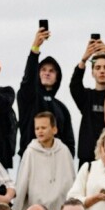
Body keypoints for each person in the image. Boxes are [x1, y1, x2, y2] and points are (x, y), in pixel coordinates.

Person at [17, 25, 75, 157]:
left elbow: (69, 142)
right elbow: (28, 80)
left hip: (57, 162)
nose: (47, 73)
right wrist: (35, 49)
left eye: (51, 71)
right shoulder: (28, 97)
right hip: (32, 159)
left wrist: (68, 163)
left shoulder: (62, 108)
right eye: (43, 70)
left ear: (57, 77)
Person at [13, 113, 75, 210]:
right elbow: (21, 187)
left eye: (43, 127)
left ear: (54, 129)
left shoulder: (64, 151)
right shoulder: (30, 152)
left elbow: (72, 181)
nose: (39, 131)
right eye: (37, 128)